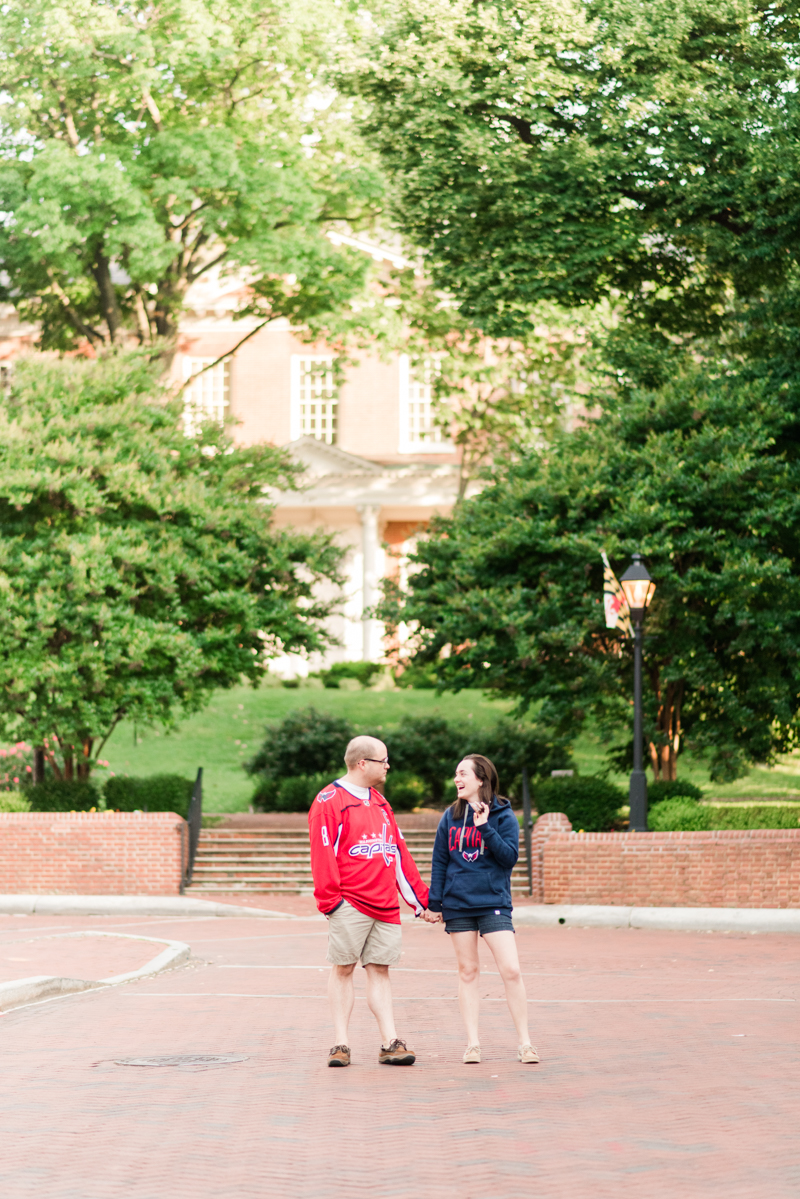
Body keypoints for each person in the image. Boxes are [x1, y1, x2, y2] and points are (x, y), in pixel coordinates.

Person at [308, 734, 431, 1068]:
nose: (388, 765)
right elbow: (323, 855)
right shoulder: (329, 800)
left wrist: (421, 902)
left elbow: (397, 853)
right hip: (349, 903)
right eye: (383, 760)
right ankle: (340, 1044)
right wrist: (331, 903)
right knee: (344, 968)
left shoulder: (380, 802)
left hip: (385, 905)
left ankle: (390, 1042)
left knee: (380, 969)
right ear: (363, 763)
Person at [425, 753, 539, 1065]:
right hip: (458, 904)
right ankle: (473, 1043)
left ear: (481, 779)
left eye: (462, 774)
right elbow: (440, 861)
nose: (456, 780)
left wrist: (485, 827)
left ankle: (525, 1043)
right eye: (456, 774)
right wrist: (434, 904)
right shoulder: (450, 816)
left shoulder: (503, 814)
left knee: (511, 970)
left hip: (493, 903)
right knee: (468, 971)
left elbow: (509, 858)